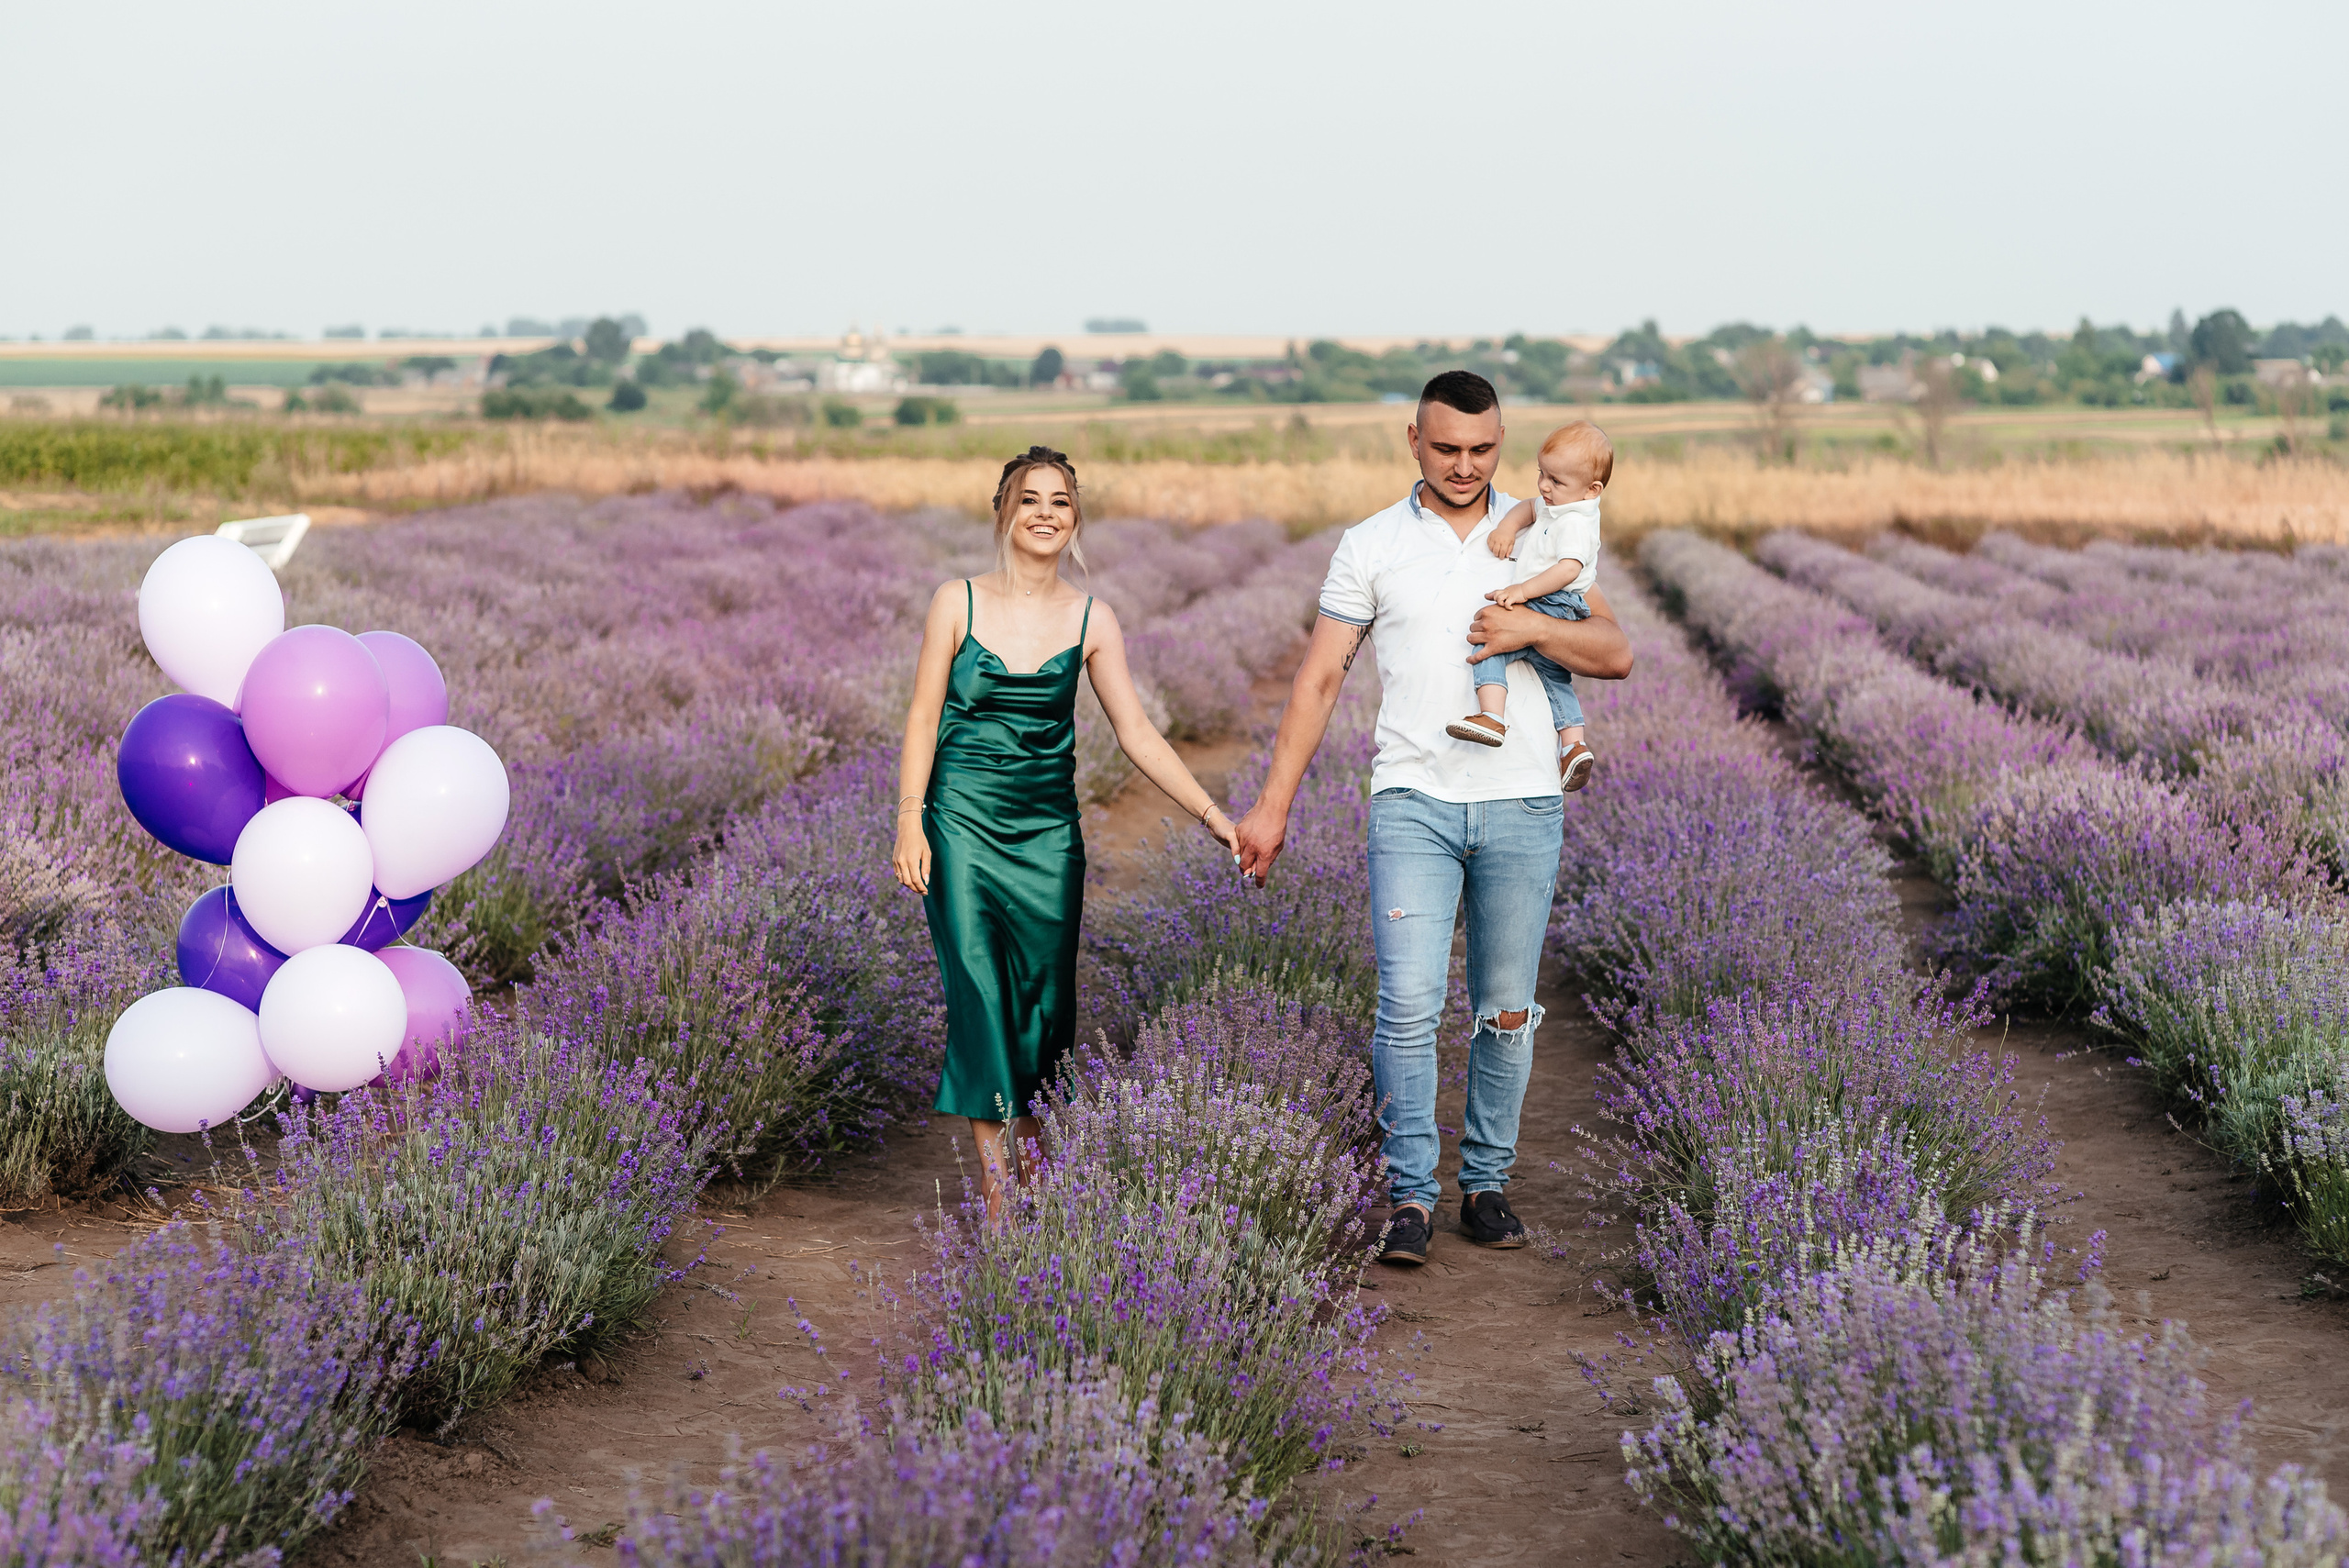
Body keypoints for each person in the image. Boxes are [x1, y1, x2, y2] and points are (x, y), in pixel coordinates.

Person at [1232, 373, 1631, 1267]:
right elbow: (1319, 679)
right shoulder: (1371, 544)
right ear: (1412, 440)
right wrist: (1271, 804)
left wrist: (1532, 631)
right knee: (1408, 1005)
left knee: (1505, 1011)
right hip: (1412, 799)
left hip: (1522, 799)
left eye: (1481, 449)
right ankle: (1409, 1194)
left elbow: (1615, 650)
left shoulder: (1541, 530)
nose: (1464, 465)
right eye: (1446, 447)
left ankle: (1485, 1185)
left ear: (1502, 444)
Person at [891, 446, 1240, 1220]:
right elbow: (921, 715)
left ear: (1075, 518)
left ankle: (1039, 1159)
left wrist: (1214, 817)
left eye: (1061, 501)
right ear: (1003, 512)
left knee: (1045, 1006)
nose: (1046, 513)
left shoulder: (1093, 617)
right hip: (960, 826)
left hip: (1048, 834)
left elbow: (1137, 733)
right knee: (981, 994)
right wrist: (910, 817)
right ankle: (999, 1187)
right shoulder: (956, 602)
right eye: (1030, 499)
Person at [1443, 420, 1612, 792]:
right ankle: (1573, 746)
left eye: (1556, 481)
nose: (1544, 486)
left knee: (1490, 642)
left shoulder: (1576, 521)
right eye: (1542, 474)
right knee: (1554, 677)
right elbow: (1528, 509)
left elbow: (1569, 570)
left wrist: (1522, 591)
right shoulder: (1561, 504)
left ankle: (1492, 716)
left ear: (1592, 489)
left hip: (1552, 600)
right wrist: (1507, 528)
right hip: (1554, 603)